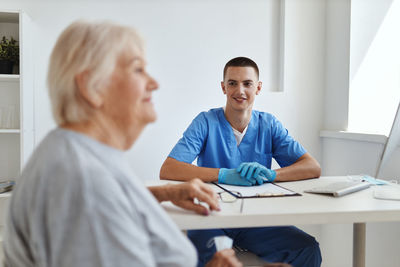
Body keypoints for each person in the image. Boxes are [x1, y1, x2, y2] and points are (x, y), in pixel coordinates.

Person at [3, 21, 243, 267]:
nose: (154, 83)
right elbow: (96, 202)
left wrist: (165, 193)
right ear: (92, 87)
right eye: (138, 70)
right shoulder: (81, 179)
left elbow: (110, 198)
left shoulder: (79, 153)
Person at [160, 57, 323, 267]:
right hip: (212, 217)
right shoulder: (205, 122)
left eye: (247, 84)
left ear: (258, 88)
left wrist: (272, 175)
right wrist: (224, 174)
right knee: (209, 259)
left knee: (306, 249)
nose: (240, 91)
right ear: (223, 87)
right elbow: (169, 168)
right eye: (232, 83)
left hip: (255, 219)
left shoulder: (269, 124)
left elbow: (312, 167)